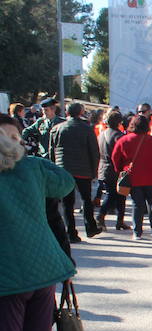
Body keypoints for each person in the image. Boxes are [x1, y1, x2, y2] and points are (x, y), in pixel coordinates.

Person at [0, 114, 76, 331]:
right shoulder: (30, 167)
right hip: (42, 269)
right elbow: (64, 182)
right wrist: (24, 152)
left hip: (7, 276)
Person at [111, 114, 152, 240]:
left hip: (134, 178)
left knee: (137, 204)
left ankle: (137, 232)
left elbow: (115, 157)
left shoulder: (124, 140)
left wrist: (120, 170)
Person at [49, 102, 101, 240]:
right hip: (83, 170)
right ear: (81, 113)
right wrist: (94, 171)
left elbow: (51, 152)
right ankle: (90, 228)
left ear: (67, 113)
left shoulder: (56, 129)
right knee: (86, 199)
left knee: (67, 203)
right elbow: (94, 152)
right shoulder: (87, 129)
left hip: (63, 170)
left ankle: (71, 232)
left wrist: (54, 169)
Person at [97, 110, 129, 231]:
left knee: (119, 195)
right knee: (115, 195)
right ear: (119, 122)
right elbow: (124, 155)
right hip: (115, 169)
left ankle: (120, 221)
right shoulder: (119, 136)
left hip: (103, 168)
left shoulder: (101, 134)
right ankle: (101, 216)